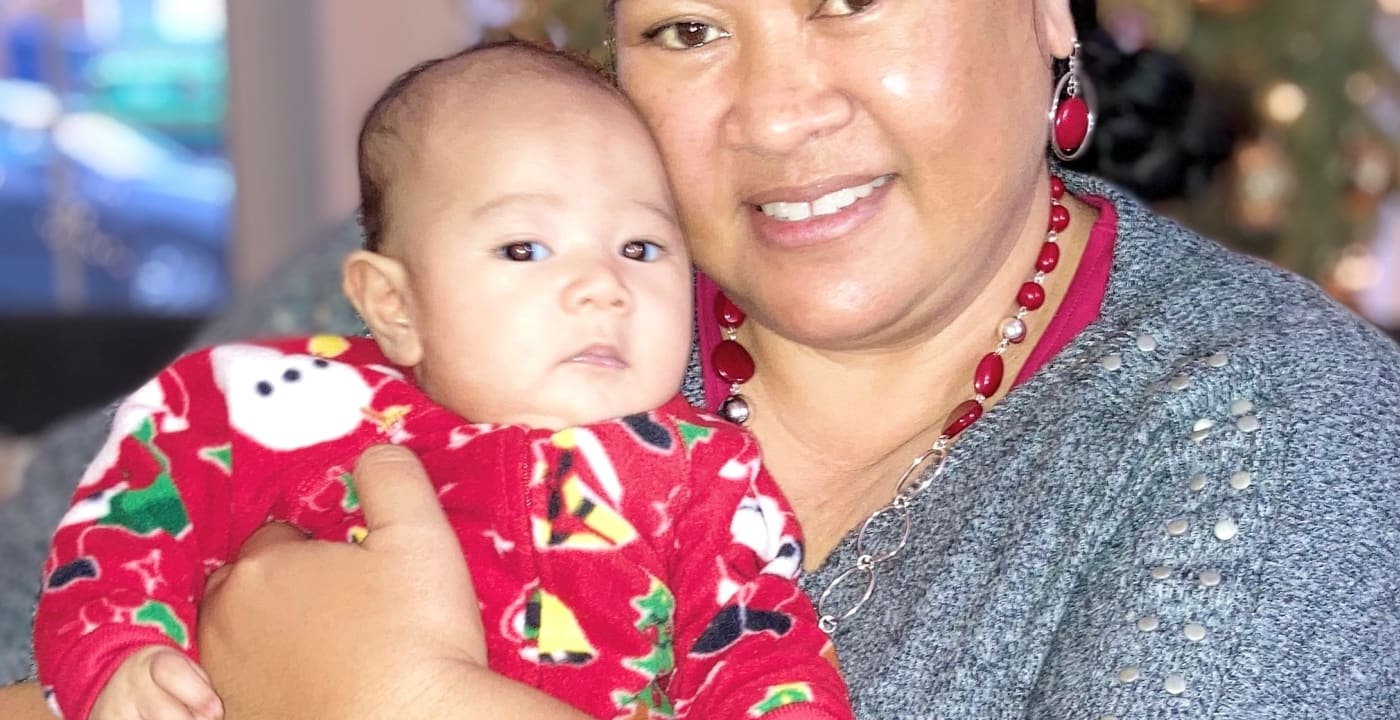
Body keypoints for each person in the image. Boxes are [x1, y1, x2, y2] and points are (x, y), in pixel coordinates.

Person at [5, 0, 1399, 717]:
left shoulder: (1273, 438)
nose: (778, 113)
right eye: (684, 27)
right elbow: (38, 586)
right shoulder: (466, 253)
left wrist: (408, 699)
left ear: (1048, 9)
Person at [29, 41, 850, 720]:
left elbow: (760, 652)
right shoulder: (283, 405)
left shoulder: (708, 475)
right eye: (525, 248)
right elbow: (132, 521)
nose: (604, 285)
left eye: (641, 248)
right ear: (394, 303)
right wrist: (116, 653)